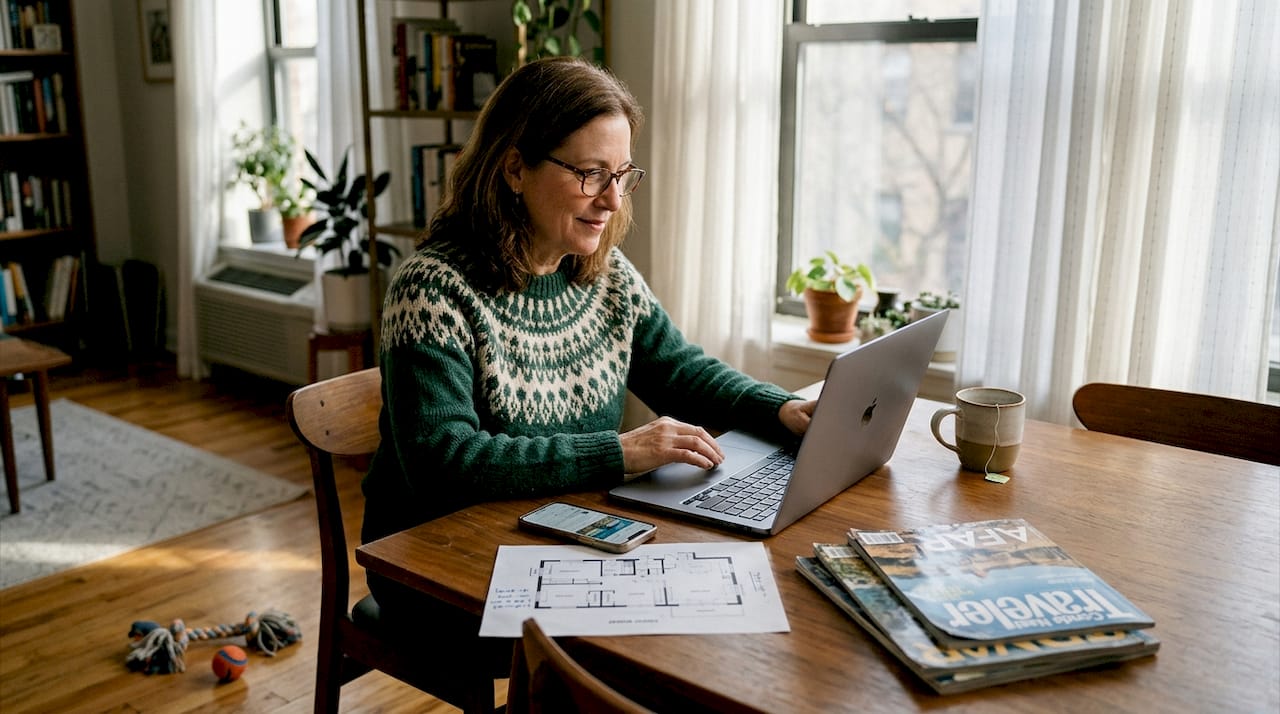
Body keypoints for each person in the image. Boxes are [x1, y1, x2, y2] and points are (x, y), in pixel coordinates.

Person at [361, 55, 816, 680]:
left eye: (622, 175)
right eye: (590, 174)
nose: (612, 199)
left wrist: (779, 408)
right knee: (653, 653)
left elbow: (680, 370)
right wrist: (619, 453)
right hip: (435, 562)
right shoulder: (432, 289)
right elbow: (444, 462)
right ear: (514, 168)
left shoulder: (603, 273)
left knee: (714, 616)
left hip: (556, 534)